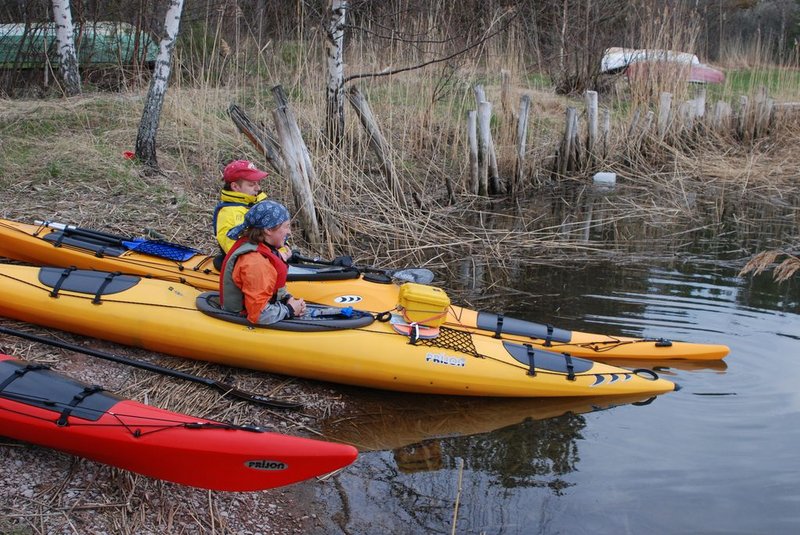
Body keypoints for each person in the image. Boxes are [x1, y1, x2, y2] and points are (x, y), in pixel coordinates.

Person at [219, 200, 306, 325]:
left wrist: (287, 298)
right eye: (286, 226)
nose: (289, 232)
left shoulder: (260, 247)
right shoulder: (256, 262)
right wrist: (290, 310)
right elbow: (259, 315)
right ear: (268, 229)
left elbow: (269, 288)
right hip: (242, 320)